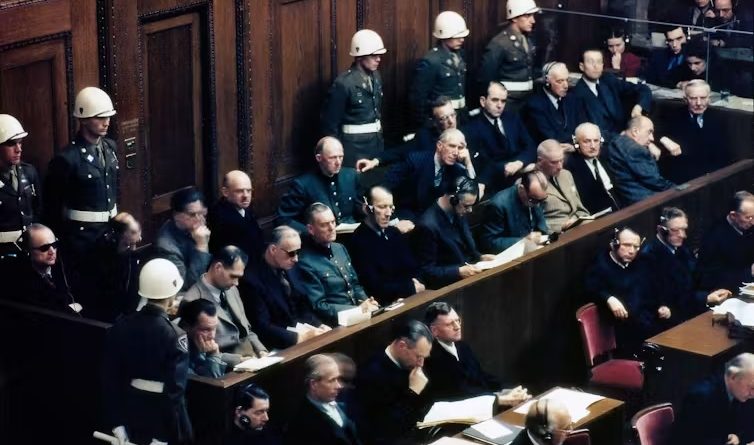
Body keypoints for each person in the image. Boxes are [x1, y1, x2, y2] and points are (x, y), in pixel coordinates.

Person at [102, 258, 192, 445]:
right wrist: (163, 436)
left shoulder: (121, 325)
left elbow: (110, 378)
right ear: (172, 294)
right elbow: (174, 392)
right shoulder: (175, 335)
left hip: (131, 414)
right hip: (162, 422)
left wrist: (117, 423)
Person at [44, 87, 118, 262]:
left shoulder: (110, 147)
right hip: (82, 240)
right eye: (100, 117)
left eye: (108, 117)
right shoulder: (67, 158)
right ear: (83, 119)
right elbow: (53, 207)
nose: (106, 122)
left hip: (110, 234)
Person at [423, 302, 531, 406]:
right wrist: (499, 398)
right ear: (434, 330)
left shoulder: (462, 346)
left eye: (458, 320)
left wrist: (507, 389)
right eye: (449, 324)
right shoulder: (431, 359)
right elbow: (460, 394)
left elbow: (481, 377)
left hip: (488, 399)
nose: (457, 327)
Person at [289, 203, 378, 325]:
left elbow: (354, 284)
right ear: (311, 229)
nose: (331, 228)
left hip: (361, 315)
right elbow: (319, 305)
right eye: (324, 225)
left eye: (333, 222)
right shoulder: (305, 262)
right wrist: (358, 310)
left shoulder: (339, 248)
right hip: (337, 324)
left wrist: (366, 301)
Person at [641, 207, 731, 326]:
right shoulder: (650, 257)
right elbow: (672, 297)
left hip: (692, 309)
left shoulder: (681, 248)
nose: (683, 235)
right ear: (661, 230)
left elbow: (697, 276)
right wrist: (705, 298)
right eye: (675, 230)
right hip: (670, 320)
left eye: (684, 229)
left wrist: (714, 290)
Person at [245, 226, 330, 349]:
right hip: (279, 344)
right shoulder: (252, 280)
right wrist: (298, 338)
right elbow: (262, 326)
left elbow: (302, 306)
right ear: (273, 249)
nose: (296, 259)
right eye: (291, 253)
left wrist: (318, 325)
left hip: (302, 334)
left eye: (298, 252)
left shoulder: (291, 267)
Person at [182, 246, 268, 367]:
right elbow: (199, 353)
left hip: (253, 360)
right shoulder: (191, 300)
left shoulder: (231, 289)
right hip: (225, 368)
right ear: (218, 267)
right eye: (233, 276)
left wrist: (262, 351)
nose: (236, 283)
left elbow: (247, 330)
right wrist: (239, 360)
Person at [584, 227, 663, 355]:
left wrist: (661, 305)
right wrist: (609, 298)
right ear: (614, 244)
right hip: (620, 333)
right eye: (627, 245)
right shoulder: (600, 265)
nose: (632, 251)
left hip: (647, 323)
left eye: (636, 247)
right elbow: (590, 288)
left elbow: (654, 289)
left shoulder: (642, 262)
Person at [356, 320, 434, 445]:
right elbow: (389, 427)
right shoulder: (371, 374)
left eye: (424, 357)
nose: (421, 363)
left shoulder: (410, 363)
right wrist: (413, 392)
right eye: (418, 356)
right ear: (402, 346)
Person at [413, 175, 495, 289]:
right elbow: (427, 272)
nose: (470, 210)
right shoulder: (428, 226)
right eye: (466, 206)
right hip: (448, 287)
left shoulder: (458, 210)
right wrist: (457, 271)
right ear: (453, 199)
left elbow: (465, 246)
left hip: (469, 276)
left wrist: (479, 257)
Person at [321, 29, 386, 166]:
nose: (378, 59)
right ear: (360, 56)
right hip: (354, 150)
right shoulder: (344, 83)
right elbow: (331, 124)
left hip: (376, 145)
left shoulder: (376, 77)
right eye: (373, 55)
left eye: (379, 55)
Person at [350, 186, 424, 305]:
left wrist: (418, 284)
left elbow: (414, 267)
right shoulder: (359, 241)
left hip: (413, 296)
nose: (388, 213)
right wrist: (410, 288)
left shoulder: (393, 232)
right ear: (367, 209)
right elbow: (374, 286)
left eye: (390, 207)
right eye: (382, 207)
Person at [382, 128, 478, 221]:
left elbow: (473, 192)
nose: (456, 152)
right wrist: (395, 220)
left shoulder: (456, 169)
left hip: (434, 220)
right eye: (452, 146)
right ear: (439, 146)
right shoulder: (415, 161)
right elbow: (385, 187)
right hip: (406, 216)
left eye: (460, 148)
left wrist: (468, 163)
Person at [276, 136, 360, 234]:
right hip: (320, 239)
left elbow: (359, 207)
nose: (338, 162)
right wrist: (312, 233)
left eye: (340, 157)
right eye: (332, 157)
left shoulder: (351, 176)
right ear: (319, 158)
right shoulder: (303, 184)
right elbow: (283, 219)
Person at [464, 81, 536, 192]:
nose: (499, 105)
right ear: (483, 101)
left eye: (503, 101)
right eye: (495, 100)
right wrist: (509, 167)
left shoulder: (512, 118)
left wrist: (519, 163)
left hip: (522, 173)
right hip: (496, 185)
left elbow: (530, 146)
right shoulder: (472, 128)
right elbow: (483, 166)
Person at [672, 352, 754, 445]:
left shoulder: (740, 393)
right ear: (733, 376)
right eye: (752, 387)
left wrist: (737, 436)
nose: (753, 394)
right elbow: (693, 439)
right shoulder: (701, 397)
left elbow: (744, 427)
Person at [571, 48, 652, 141]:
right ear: (582, 66)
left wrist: (638, 107)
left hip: (626, 135)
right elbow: (589, 132)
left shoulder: (608, 80)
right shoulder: (576, 95)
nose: (596, 66)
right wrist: (622, 137)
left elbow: (643, 89)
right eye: (591, 62)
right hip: (603, 142)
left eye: (599, 62)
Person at [661, 80, 730, 184]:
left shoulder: (718, 119)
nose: (698, 103)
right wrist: (664, 139)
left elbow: (723, 155)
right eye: (693, 98)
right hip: (683, 179)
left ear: (709, 98)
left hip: (711, 178)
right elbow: (657, 132)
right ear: (685, 99)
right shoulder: (673, 117)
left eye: (703, 98)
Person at [409, 11, 470, 127]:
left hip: (461, 117)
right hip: (441, 121)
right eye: (457, 36)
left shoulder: (461, 55)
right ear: (444, 35)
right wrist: (427, 124)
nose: (462, 39)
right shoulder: (431, 61)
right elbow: (418, 98)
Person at [285, 354, 362, 445]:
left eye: (338, 379)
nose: (338, 386)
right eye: (332, 380)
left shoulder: (344, 404)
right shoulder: (301, 423)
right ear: (314, 384)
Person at [478, 0, 541, 110]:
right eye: (527, 16)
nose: (533, 21)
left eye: (533, 16)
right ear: (514, 18)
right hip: (508, 104)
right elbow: (486, 77)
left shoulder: (527, 39)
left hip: (527, 101)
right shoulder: (499, 43)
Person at [11, 223, 82, 314]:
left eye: (54, 245)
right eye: (44, 248)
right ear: (28, 250)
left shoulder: (65, 269)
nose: (52, 251)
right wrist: (70, 309)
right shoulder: (21, 281)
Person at [604, 116, 675, 205]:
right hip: (647, 202)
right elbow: (656, 182)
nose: (652, 138)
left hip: (628, 202)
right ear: (635, 131)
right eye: (649, 132)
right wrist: (678, 188)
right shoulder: (636, 150)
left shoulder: (616, 142)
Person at [696, 191, 754, 293]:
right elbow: (709, 278)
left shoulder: (748, 225)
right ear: (733, 215)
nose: (753, 222)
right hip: (729, 291)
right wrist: (749, 272)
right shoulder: (713, 238)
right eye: (748, 217)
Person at [154, 187, 212, 291]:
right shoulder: (166, 247)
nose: (199, 219)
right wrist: (202, 246)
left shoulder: (195, 226)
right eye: (192, 215)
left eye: (201, 213)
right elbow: (187, 285)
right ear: (176, 215)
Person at [88, 212, 143, 321]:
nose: (139, 237)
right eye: (133, 232)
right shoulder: (100, 256)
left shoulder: (131, 255)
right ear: (120, 235)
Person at [0, 114, 40, 263]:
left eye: (20, 143)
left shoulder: (29, 172)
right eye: (11, 144)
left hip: (28, 252)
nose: (18, 149)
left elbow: (38, 210)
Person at [478, 170, 549, 253]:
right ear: (521, 189)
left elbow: (542, 229)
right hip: (511, 254)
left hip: (535, 248)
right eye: (533, 200)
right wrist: (523, 241)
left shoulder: (535, 198)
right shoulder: (498, 205)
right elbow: (489, 242)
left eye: (542, 200)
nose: (537, 205)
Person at [521, 62, 585, 149]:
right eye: (560, 81)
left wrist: (575, 146)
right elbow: (550, 137)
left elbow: (582, 128)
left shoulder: (572, 99)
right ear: (547, 81)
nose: (566, 86)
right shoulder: (535, 105)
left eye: (567, 80)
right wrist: (575, 143)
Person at [564, 122, 620, 214]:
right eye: (587, 141)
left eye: (596, 141)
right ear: (576, 143)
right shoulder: (571, 166)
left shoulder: (607, 156)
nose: (593, 146)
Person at [208, 170, 264, 261]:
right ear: (225, 192)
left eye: (249, 191)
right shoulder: (220, 218)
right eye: (239, 191)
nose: (246, 195)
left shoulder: (243, 209)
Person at [536, 140, 590, 232]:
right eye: (554, 162)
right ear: (540, 161)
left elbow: (580, 208)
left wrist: (581, 219)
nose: (560, 166)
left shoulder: (566, 174)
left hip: (579, 224)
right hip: (557, 234)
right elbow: (534, 225)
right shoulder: (530, 183)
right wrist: (561, 228)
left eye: (561, 160)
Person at [178, 298, 227, 378]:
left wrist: (238, 359)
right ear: (186, 327)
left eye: (214, 328)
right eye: (206, 329)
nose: (212, 336)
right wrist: (213, 355)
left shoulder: (194, 337)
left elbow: (202, 356)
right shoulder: (176, 350)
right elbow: (211, 383)